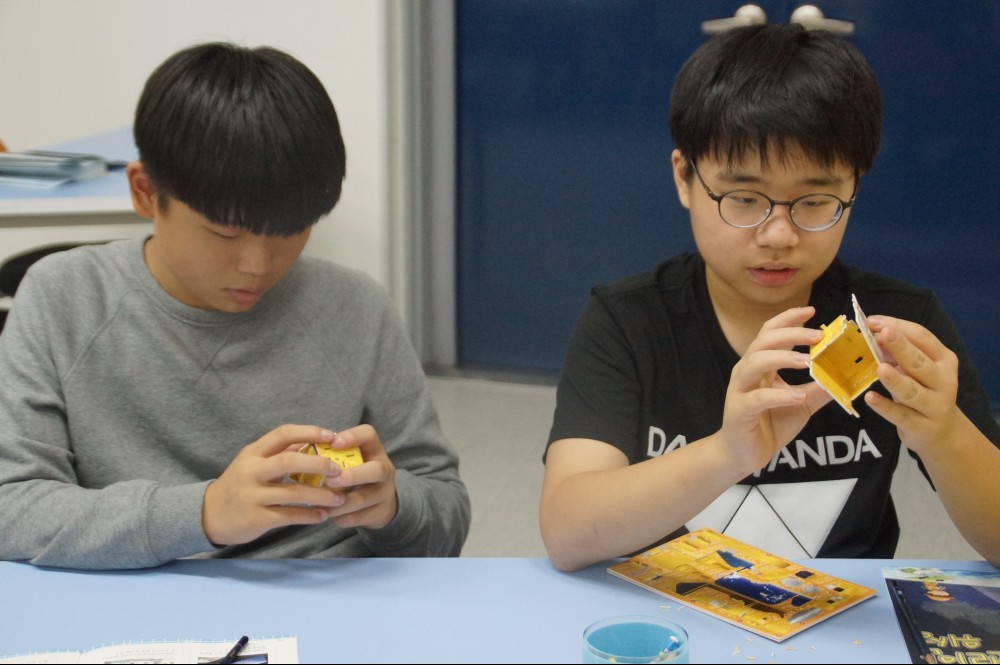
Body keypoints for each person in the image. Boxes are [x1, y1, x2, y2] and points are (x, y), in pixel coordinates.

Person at [539, 24, 1000, 572]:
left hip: (845, 612)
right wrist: (725, 454)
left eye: (815, 200)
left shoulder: (898, 326)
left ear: (854, 186)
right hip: (668, 611)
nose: (779, 235)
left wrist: (946, 435)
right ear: (685, 177)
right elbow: (567, 534)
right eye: (744, 197)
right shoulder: (628, 321)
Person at [0, 42, 470, 569]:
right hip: (139, 593)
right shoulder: (64, 297)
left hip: (325, 592)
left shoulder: (357, 308)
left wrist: (394, 505)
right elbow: (11, 509)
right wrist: (203, 514)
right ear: (145, 192)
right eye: (224, 233)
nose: (258, 265)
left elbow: (446, 512)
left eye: (291, 231)